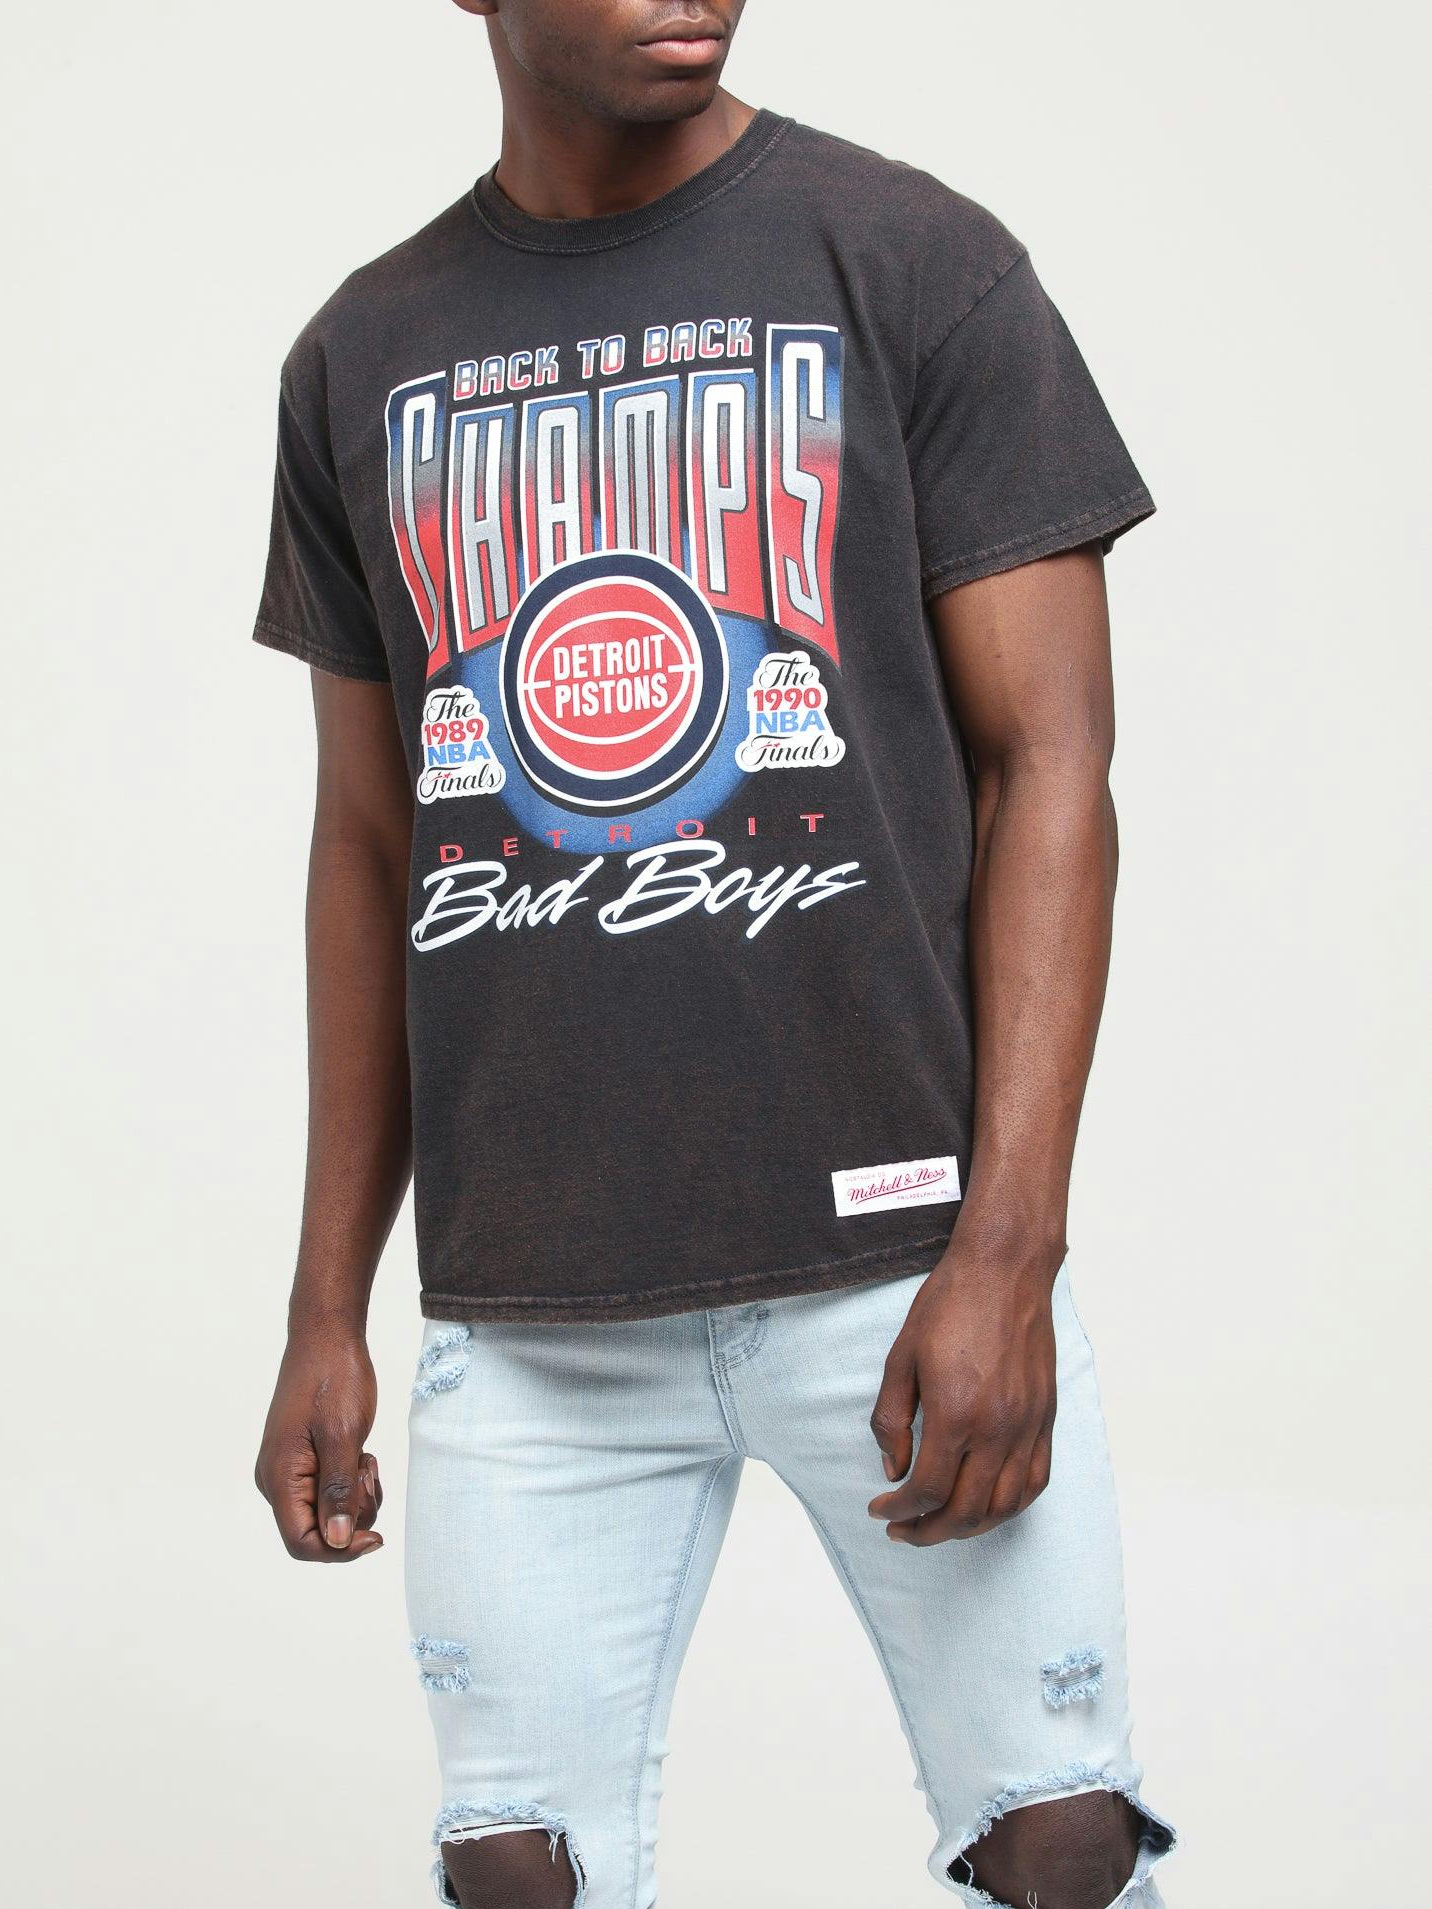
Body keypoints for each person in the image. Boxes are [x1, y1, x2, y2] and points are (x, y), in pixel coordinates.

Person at [251, 4, 1177, 1904]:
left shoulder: (913, 264)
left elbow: (1054, 767)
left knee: (1060, 1844)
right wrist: (323, 1304)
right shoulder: (365, 349)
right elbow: (369, 840)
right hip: (534, 1300)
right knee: (520, 1873)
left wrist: (1010, 1249)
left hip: (899, 1265)